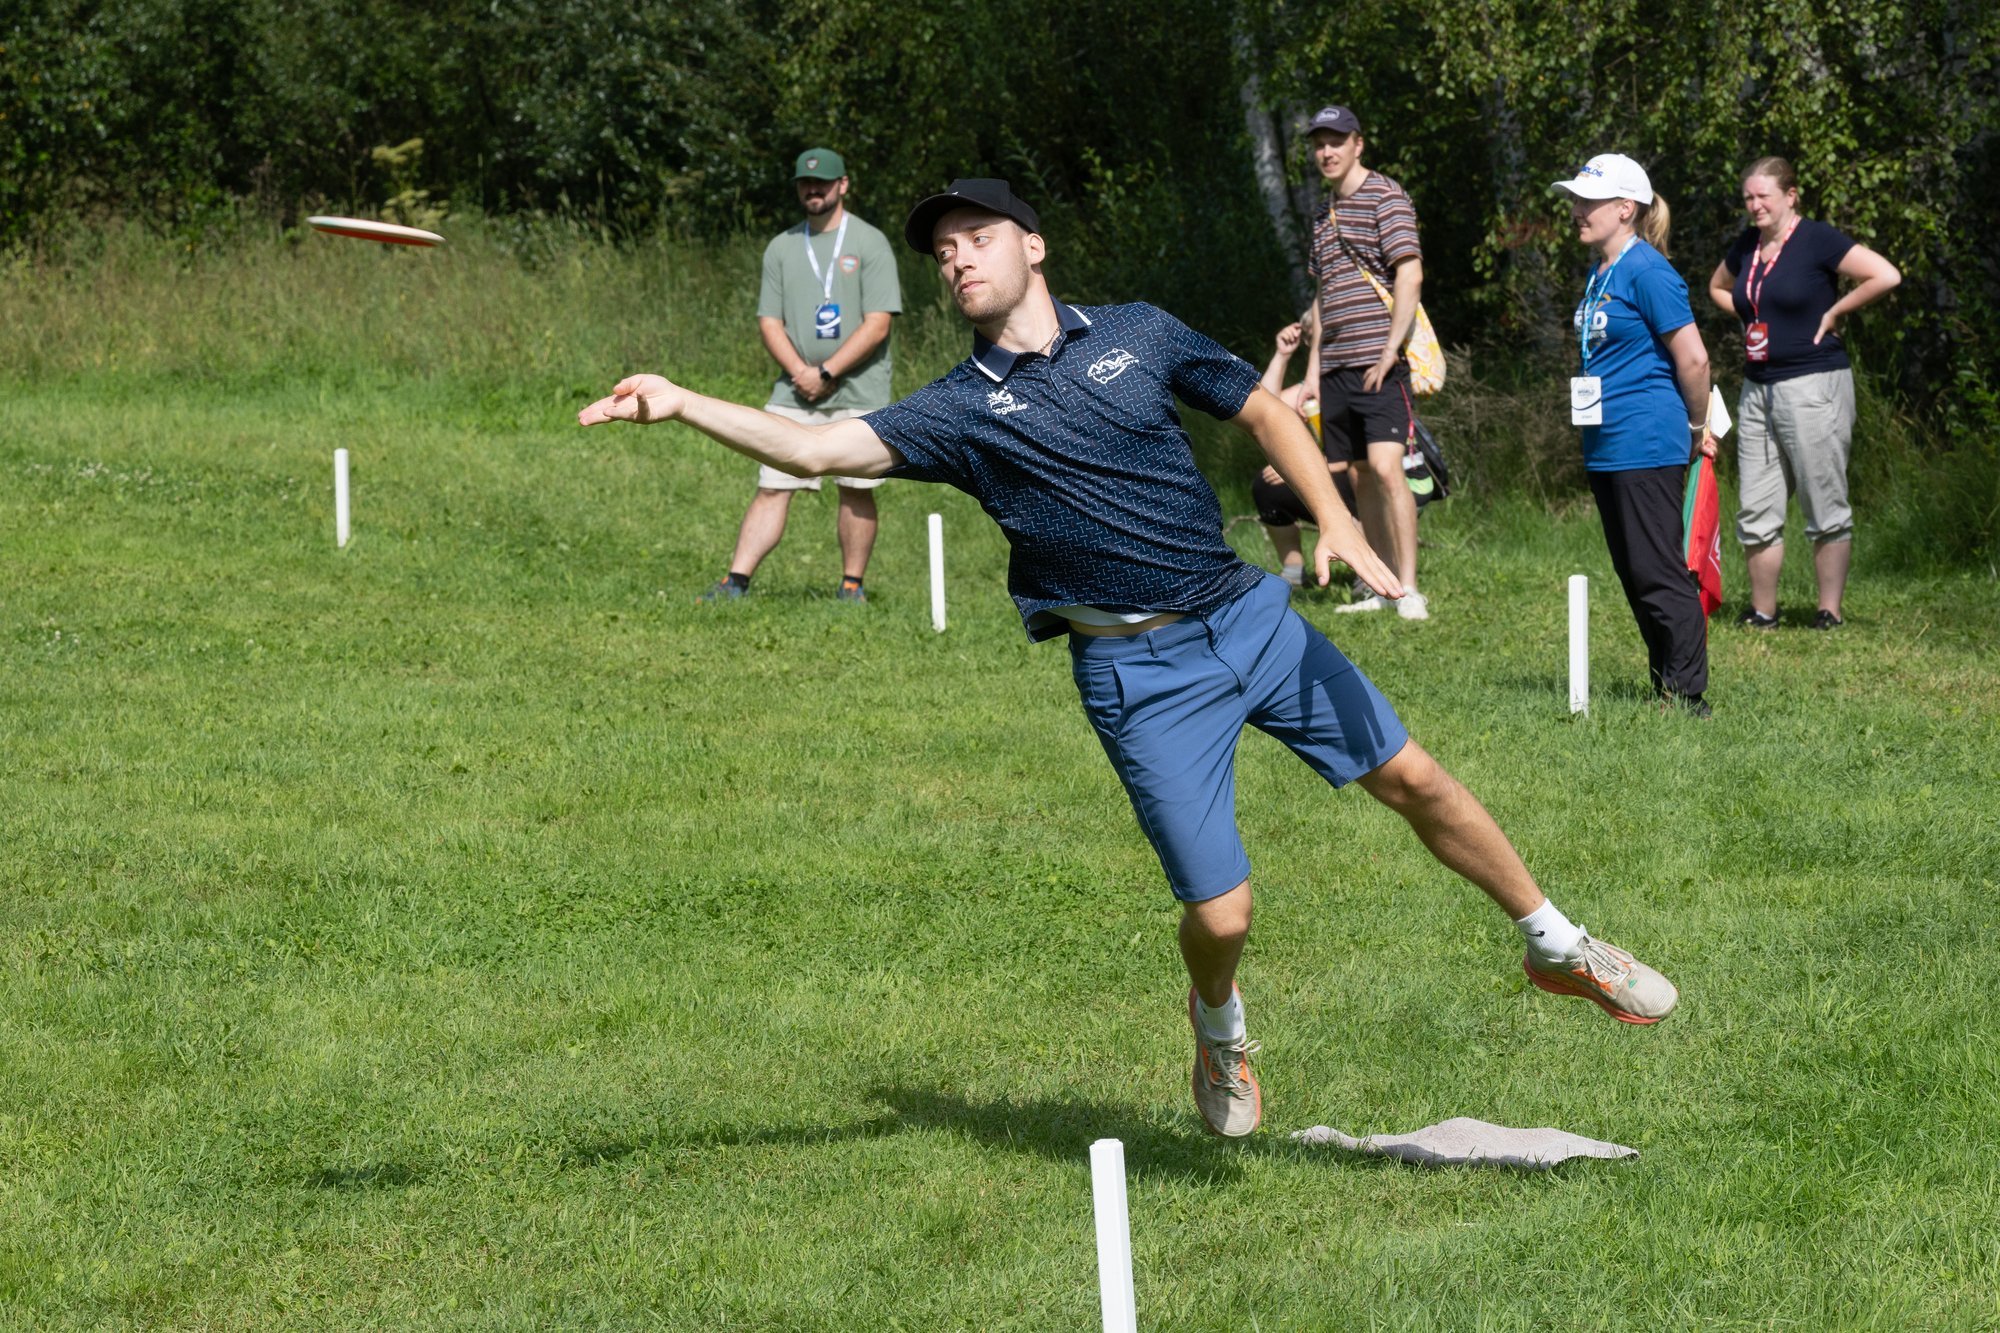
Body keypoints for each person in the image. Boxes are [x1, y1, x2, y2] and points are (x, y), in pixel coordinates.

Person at [581, 177, 1678, 1139]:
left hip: (1244, 613)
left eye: (974, 235)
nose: (955, 256)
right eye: (941, 248)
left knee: (1414, 776)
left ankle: (1553, 941)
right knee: (1224, 913)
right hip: (1136, 671)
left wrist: (1335, 526)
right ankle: (1217, 1024)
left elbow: (1257, 405)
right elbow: (816, 447)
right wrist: (683, 403)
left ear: (1032, 245)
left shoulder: (1140, 334)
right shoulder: (961, 410)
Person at [1551, 154, 1716, 716]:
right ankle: (1665, 684)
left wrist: (1698, 429)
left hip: (1646, 437)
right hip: (1606, 445)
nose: (1576, 210)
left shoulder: (1648, 270)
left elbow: (1693, 359)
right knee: (1633, 570)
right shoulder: (1603, 270)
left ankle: (1689, 696)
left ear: (1626, 209)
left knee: (1657, 570)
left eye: (1587, 201)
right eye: (1574, 199)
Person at [1705, 156, 1901, 630]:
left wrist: (1834, 314)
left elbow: (1885, 275)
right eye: (1748, 197)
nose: (1754, 206)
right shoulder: (1749, 245)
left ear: (1790, 196)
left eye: (1763, 196)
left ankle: (1828, 612)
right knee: (1756, 504)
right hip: (1757, 388)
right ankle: (1762, 611)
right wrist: (1750, 318)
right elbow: (1717, 286)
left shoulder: (1816, 238)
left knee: (1823, 500)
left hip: (1814, 386)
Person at [699, 148, 902, 604]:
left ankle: (852, 586)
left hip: (860, 386)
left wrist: (828, 370)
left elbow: (878, 323)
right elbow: (769, 322)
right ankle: (735, 582)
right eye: (806, 184)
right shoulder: (783, 246)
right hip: (794, 391)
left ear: (843, 185)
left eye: (824, 183)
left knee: (856, 488)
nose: (815, 190)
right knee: (773, 485)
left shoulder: (870, 243)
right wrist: (802, 373)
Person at [1300, 105, 1428, 621]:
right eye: (1319, 143)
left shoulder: (1386, 195)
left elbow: (1410, 276)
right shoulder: (1321, 215)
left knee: (1386, 468)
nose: (1326, 152)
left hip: (1381, 362)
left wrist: (1389, 351)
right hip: (1334, 366)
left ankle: (1411, 588)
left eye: (1336, 141)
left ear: (1359, 144)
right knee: (1356, 476)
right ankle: (1380, 584)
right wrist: (1310, 366)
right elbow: (1322, 298)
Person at [1251, 316, 1358, 590]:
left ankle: (1367, 571)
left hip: (1362, 477)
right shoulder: (1306, 392)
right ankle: (1293, 571)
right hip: (1332, 478)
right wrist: (1282, 355)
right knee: (1266, 486)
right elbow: (1264, 408)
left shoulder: (1355, 380)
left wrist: (1310, 465)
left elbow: (1371, 452)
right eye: (1314, 337)